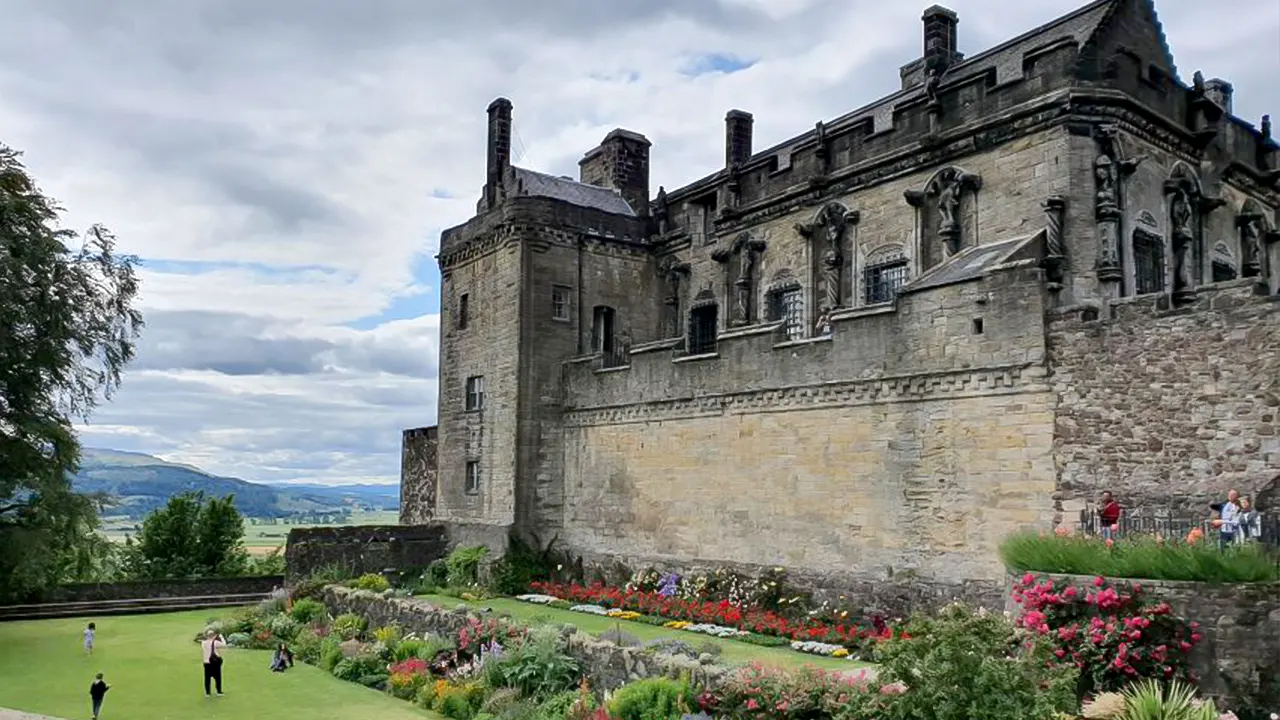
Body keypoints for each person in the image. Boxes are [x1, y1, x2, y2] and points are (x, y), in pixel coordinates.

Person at [201, 630, 227, 697]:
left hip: (206, 662)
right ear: (214, 636)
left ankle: (207, 693)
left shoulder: (203, 643)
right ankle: (219, 691)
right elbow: (224, 645)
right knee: (218, 677)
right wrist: (221, 637)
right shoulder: (215, 642)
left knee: (207, 678)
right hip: (214, 662)